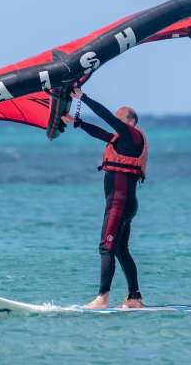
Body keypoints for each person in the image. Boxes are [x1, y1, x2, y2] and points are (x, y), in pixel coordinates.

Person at [60, 87, 147, 309]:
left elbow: (106, 118)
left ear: (131, 122)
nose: (115, 122)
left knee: (106, 248)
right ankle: (134, 298)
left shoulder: (132, 135)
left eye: (119, 119)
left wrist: (83, 98)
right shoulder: (123, 140)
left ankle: (102, 298)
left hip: (119, 204)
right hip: (125, 203)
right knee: (119, 249)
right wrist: (76, 123)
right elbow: (102, 134)